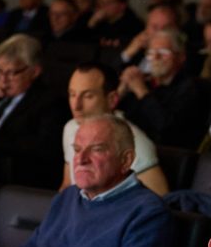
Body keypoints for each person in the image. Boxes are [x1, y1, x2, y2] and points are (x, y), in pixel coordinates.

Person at [20, 114, 171, 247]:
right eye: (77, 149)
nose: (81, 159)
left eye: (96, 149)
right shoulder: (67, 196)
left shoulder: (148, 213)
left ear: (126, 160)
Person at [0, 33, 70, 189]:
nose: (3, 79)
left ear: (34, 71)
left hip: (9, 180)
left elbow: (45, 148)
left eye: (11, 73)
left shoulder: (51, 102)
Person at [62, 63, 167, 196]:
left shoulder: (135, 142)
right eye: (72, 94)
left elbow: (160, 198)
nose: (76, 106)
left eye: (88, 96)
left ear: (112, 99)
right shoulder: (71, 127)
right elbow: (67, 184)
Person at [119, 29, 206, 149]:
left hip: (164, 151)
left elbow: (166, 127)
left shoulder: (191, 88)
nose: (156, 57)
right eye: (151, 53)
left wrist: (141, 91)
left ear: (181, 57)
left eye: (163, 52)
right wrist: (121, 91)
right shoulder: (146, 82)